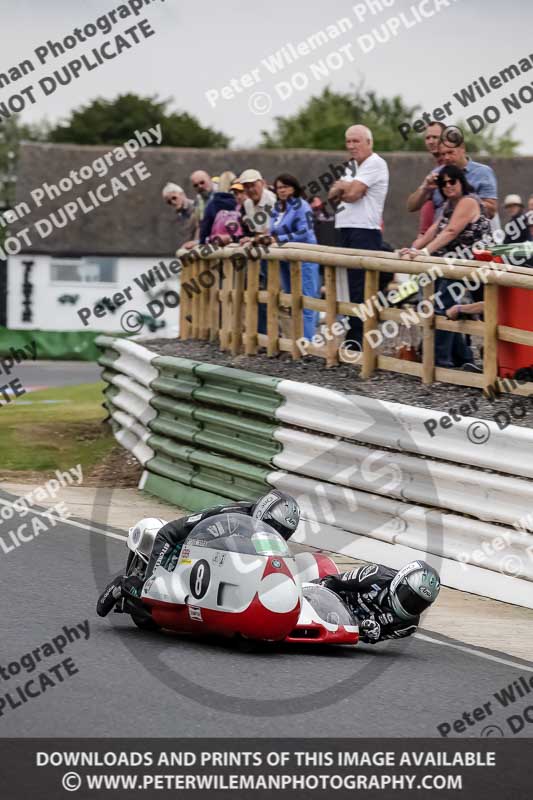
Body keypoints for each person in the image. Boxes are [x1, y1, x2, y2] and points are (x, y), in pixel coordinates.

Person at [96, 490, 300, 617]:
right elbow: (201, 540)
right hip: (178, 542)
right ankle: (124, 586)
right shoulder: (232, 519)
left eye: (284, 532)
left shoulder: (261, 534)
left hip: (210, 558)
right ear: (262, 513)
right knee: (152, 594)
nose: (278, 533)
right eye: (275, 527)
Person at [401, 164, 492, 370]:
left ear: (461, 182)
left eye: (452, 181)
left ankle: (440, 361)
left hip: (473, 263)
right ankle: (462, 357)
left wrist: (424, 253)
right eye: (443, 183)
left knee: (443, 306)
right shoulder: (449, 205)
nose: (448, 186)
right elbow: (434, 230)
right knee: (442, 307)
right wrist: (412, 249)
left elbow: (451, 231)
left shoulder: (468, 201)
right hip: (452, 263)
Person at [328, 124, 389, 347]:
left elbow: (352, 194)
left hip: (364, 229)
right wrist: (346, 187)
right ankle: (353, 335)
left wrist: (345, 187)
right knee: (345, 286)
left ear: (369, 142)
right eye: (348, 141)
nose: (352, 146)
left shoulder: (375, 163)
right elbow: (332, 196)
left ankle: (358, 339)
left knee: (361, 287)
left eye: (356, 141)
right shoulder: (352, 166)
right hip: (345, 227)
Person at [318, 560, 440, 644]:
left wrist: (370, 631)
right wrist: (320, 598)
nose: (412, 605)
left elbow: (371, 638)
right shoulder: (376, 574)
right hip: (325, 600)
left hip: (343, 626)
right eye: (409, 597)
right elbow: (332, 582)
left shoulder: (408, 626)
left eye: (420, 604)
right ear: (399, 581)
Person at [268, 173, 321, 341]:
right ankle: (295, 338)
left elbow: (304, 232)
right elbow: (272, 230)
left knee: (307, 299)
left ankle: (308, 341)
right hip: (285, 258)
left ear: (294, 188)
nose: (282, 190)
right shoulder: (277, 208)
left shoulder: (302, 206)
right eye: (279, 188)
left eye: (285, 187)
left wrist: (279, 239)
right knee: (291, 299)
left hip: (304, 257)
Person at [406, 121, 446, 235]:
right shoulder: (434, 173)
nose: (431, 141)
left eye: (435, 137)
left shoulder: (458, 169)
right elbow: (411, 206)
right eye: (427, 138)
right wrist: (425, 189)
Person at [199, 171, 242, 245]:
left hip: (215, 245)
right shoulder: (239, 203)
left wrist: (202, 243)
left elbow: (204, 231)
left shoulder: (211, 205)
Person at [183, 170, 215, 249]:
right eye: (195, 185)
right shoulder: (199, 199)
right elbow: (200, 225)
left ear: (210, 180)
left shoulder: (220, 193)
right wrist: (196, 243)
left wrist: (198, 242)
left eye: (202, 182)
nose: (200, 186)